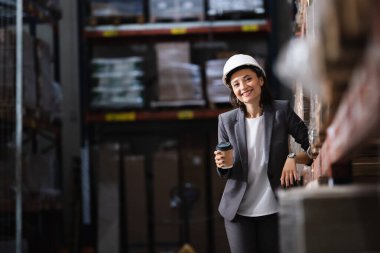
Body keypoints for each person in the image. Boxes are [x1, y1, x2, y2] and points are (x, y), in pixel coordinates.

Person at [213, 54, 313, 253]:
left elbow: (314, 146)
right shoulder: (226, 121)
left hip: (274, 209)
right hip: (238, 213)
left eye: (248, 78)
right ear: (233, 91)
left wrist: (293, 157)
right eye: (236, 84)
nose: (243, 87)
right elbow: (225, 171)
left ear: (260, 79)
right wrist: (223, 165)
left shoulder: (281, 111)